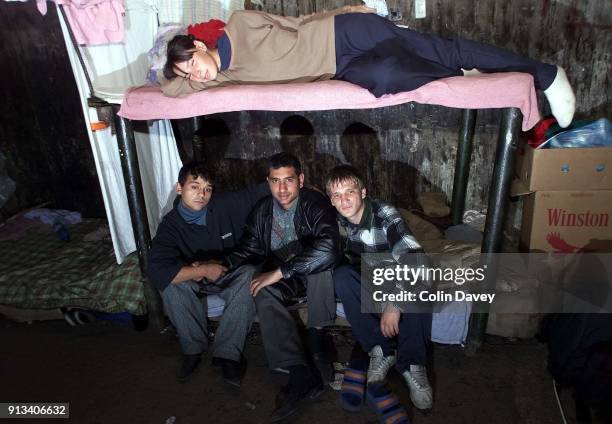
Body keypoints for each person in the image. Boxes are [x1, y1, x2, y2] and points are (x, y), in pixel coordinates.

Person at [161, 5, 575, 127]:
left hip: (343, 33)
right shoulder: (223, 80)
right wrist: (165, 67)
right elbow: (171, 90)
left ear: (201, 45)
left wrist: (350, 10)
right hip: (341, 68)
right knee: (386, 80)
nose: (194, 74)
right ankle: (458, 72)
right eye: (187, 72)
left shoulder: (240, 22)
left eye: (191, 62)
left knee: (442, 51)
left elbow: (300, 24)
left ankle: (546, 73)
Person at [227, 152, 341, 422]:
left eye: (288, 180)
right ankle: (299, 371)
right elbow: (247, 248)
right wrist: (217, 264)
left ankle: (315, 340)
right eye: (275, 181)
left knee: (320, 263)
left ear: (300, 180)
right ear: (268, 182)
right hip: (285, 278)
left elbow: (329, 248)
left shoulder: (315, 203)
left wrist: (279, 272)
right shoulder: (262, 210)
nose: (282, 189)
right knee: (260, 288)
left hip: (312, 276)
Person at [147, 162, 269, 385]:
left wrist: (304, 189)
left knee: (250, 274)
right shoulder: (170, 225)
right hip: (197, 277)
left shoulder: (224, 205)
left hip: (230, 271)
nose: (202, 195)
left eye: (208, 189)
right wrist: (202, 269)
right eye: (194, 187)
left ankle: (227, 354)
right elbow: (156, 269)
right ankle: (192, 349)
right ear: (179, 188)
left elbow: (260, 191)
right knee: (171, 284)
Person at [325, 165, 433, 414]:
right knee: (341, 276)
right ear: (331, 200)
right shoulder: (333, 221)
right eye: (337, 195)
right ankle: (381, 350)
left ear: (363, 192)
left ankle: (412, 364)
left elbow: (414, 258)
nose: (344, 200)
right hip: (370, 280)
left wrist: (394, 303)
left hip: (397, 274)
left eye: (349, 192)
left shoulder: (383, 213)